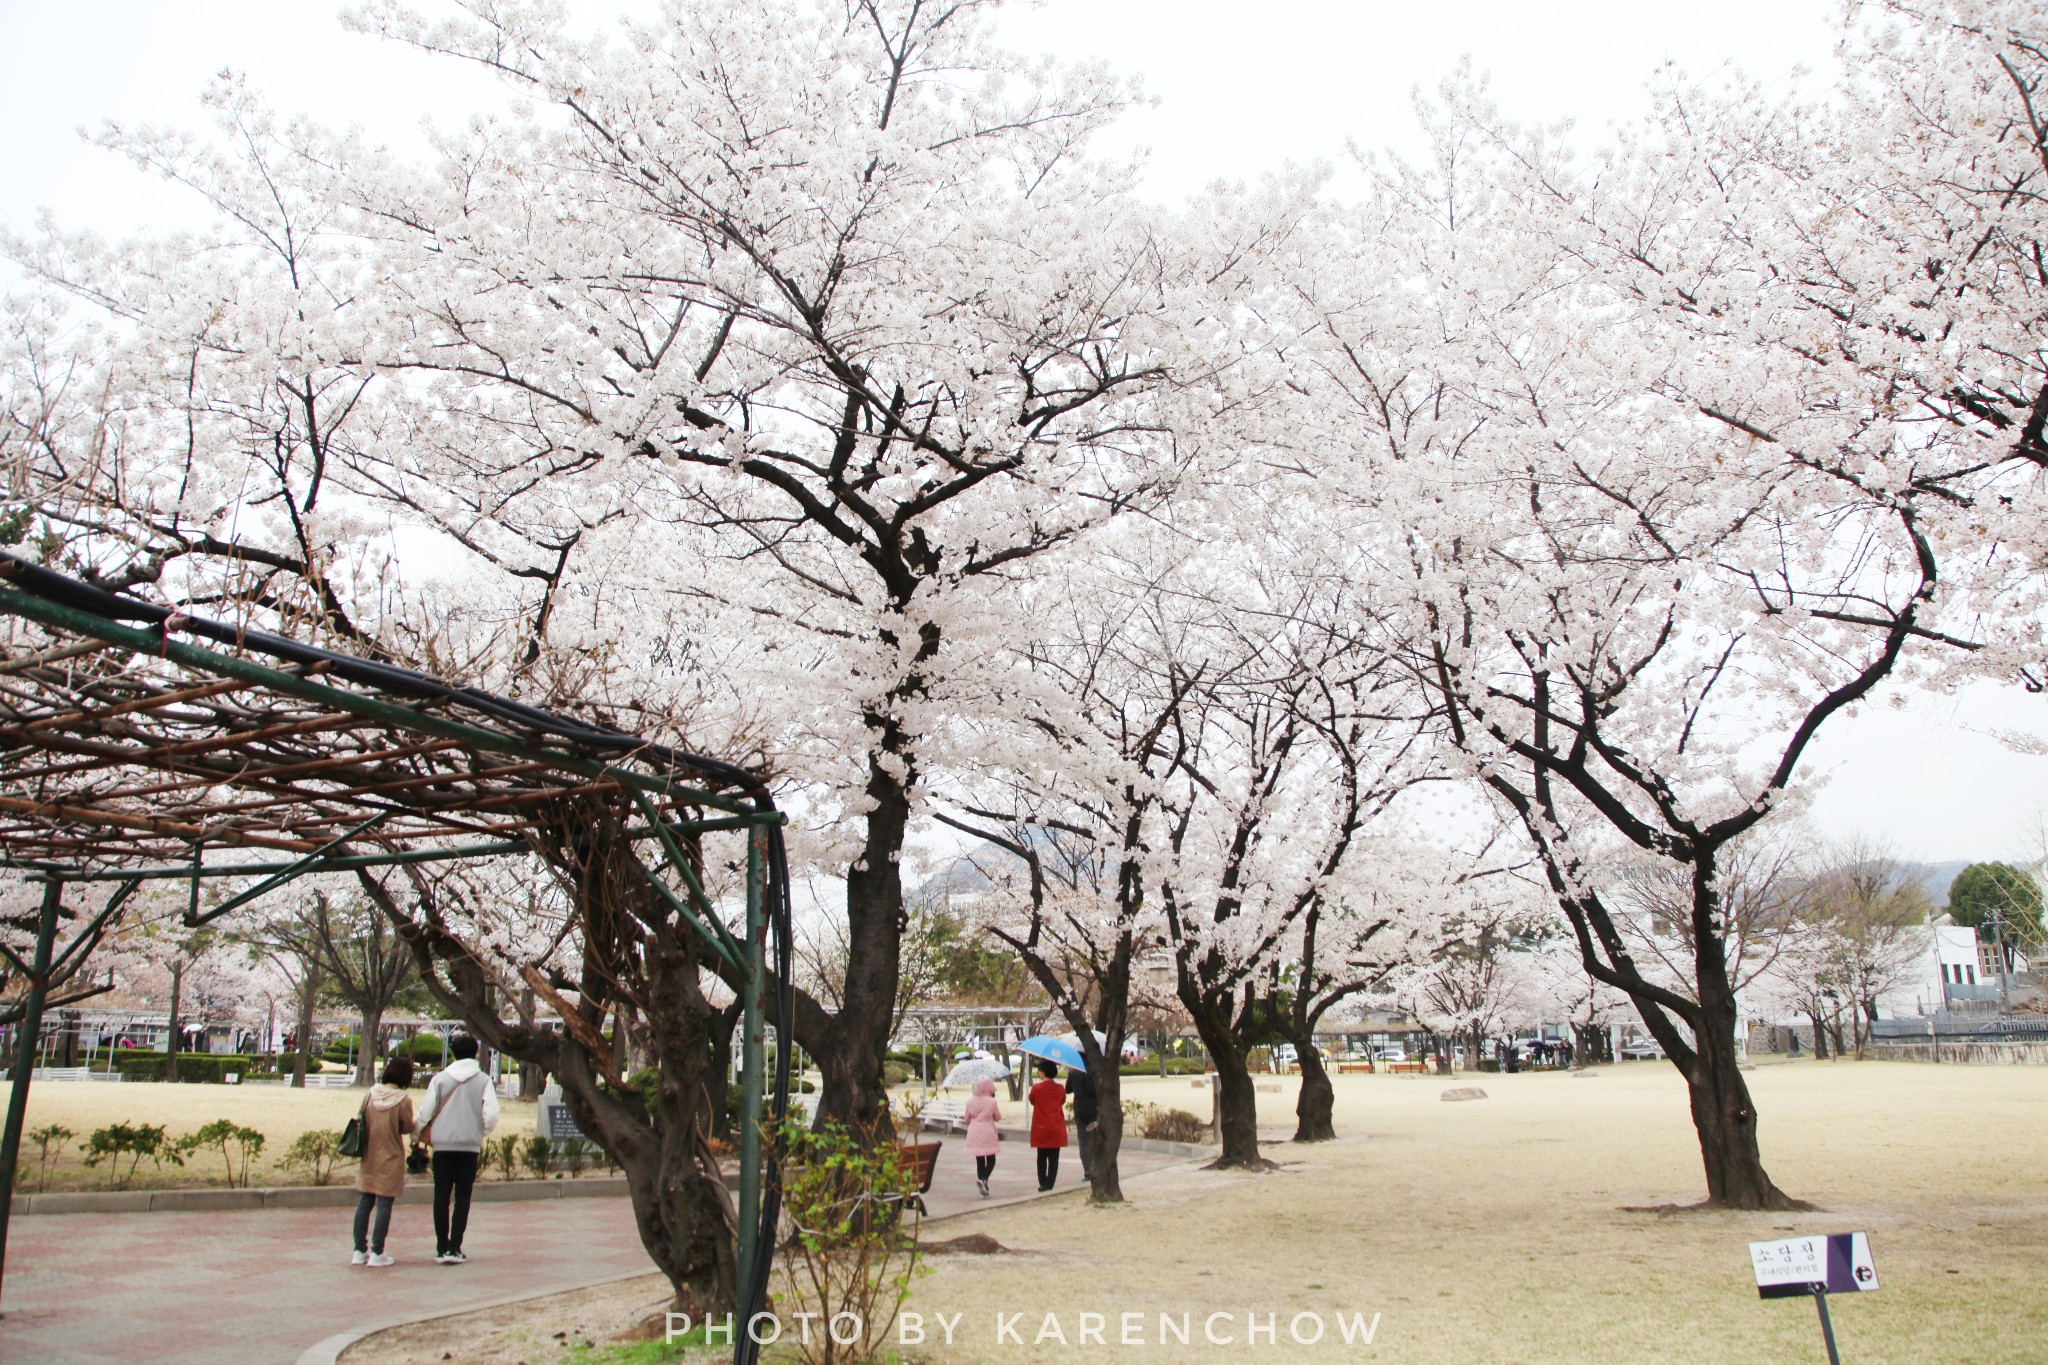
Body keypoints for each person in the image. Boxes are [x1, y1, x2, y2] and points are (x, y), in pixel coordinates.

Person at [415, 1034, 500, 1265]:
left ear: (453, 1052)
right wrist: (479, 1131)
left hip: (442, 1144)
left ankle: (441, 1247)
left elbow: (425, 1112)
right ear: (475, 1053)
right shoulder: (483, 1080)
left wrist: (417, 1134)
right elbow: (491, 1114)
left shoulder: (440, 1079)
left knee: (441, 1194)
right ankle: (455, 1247)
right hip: (469, 1146)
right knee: (463, 1195)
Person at [352, 1056, 416, 1267]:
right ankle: (377, 1252)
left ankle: (359, 1250)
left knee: (364, 1203)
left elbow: (360, 1117)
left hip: (369, 1154)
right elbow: (407, 1127)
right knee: (384, 1205)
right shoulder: (403, 1100)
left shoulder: (370, 1093)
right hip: (390, 1156)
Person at [1027, 1059, 1068, 1192]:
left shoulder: (1037, 1088)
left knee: (1041, 1157)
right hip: (1056, 1126)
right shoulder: (1060, 1088)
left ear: (1043, 1073)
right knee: (1054, 1158)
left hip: (1041, 1126)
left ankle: (1042, 1182)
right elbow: (1062, 1100)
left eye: (1040, 1071)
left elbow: (1032, 1100)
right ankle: (1050, 1183)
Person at [963, 1076, 1001, 1197]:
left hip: (974, 1132)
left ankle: (983, 1186)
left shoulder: (970, 1101)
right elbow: (998, 1117)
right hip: (988, 1131)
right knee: (991, 1160)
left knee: (979, 1161)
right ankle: (984, 1179)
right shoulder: (991, 1101)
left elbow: (967, 1119)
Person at [1064, 1063, 1097, 1182]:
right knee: (1097, 1140)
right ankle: (1098, 1168)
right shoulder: (1095, 1071)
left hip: (1080, 1110)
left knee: (1083, 1142)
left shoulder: (1073, 1073)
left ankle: (1088, 1171)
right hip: (1095, 1109)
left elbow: (1067, 1090)